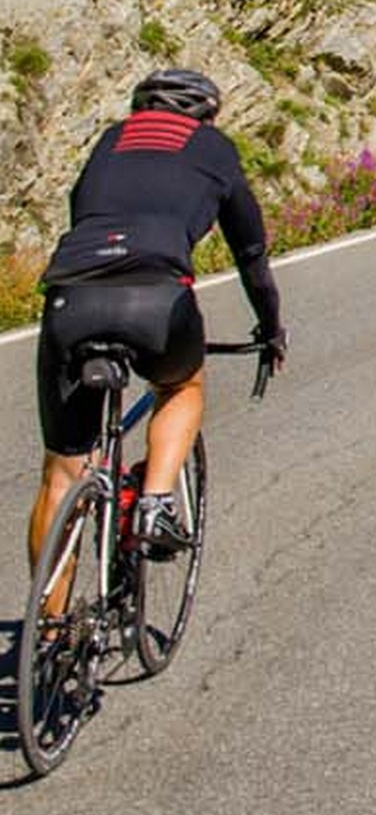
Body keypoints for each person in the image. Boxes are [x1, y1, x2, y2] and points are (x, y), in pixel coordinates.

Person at [27, 68, 286, 565]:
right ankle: (155, 503)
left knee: (62, 473)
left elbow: (80, 211)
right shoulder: (213, 149)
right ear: (208, 115)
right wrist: (270, 327)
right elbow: (250, 250)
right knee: (180, 387)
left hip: (71, 294)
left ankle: (51, 632)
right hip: (157, 295)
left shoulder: (110, 142)